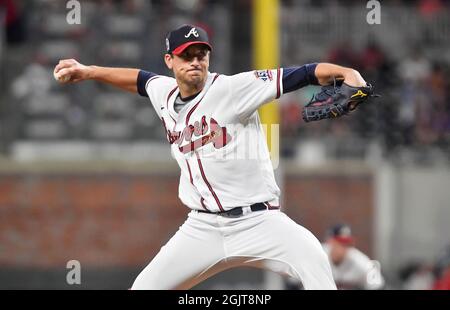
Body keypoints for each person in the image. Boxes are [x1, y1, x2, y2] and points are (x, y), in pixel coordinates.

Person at [53, 24, 370, 290]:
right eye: (186, 55)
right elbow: (140, 80)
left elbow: (302, 74)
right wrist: (89, 71)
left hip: (259, 220)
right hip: (201, 227)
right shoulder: (163, 92)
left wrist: (346, 72)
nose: (195, 61)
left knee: (315, 261)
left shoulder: (232, 89)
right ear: (170, 60)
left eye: (200, 54)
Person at [322, 224, 385, 290]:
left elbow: (378, 285)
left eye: (347, 243)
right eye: (340, 242)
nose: (344, 246)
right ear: (330, 241)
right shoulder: (319, 255)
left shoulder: (360, 261)